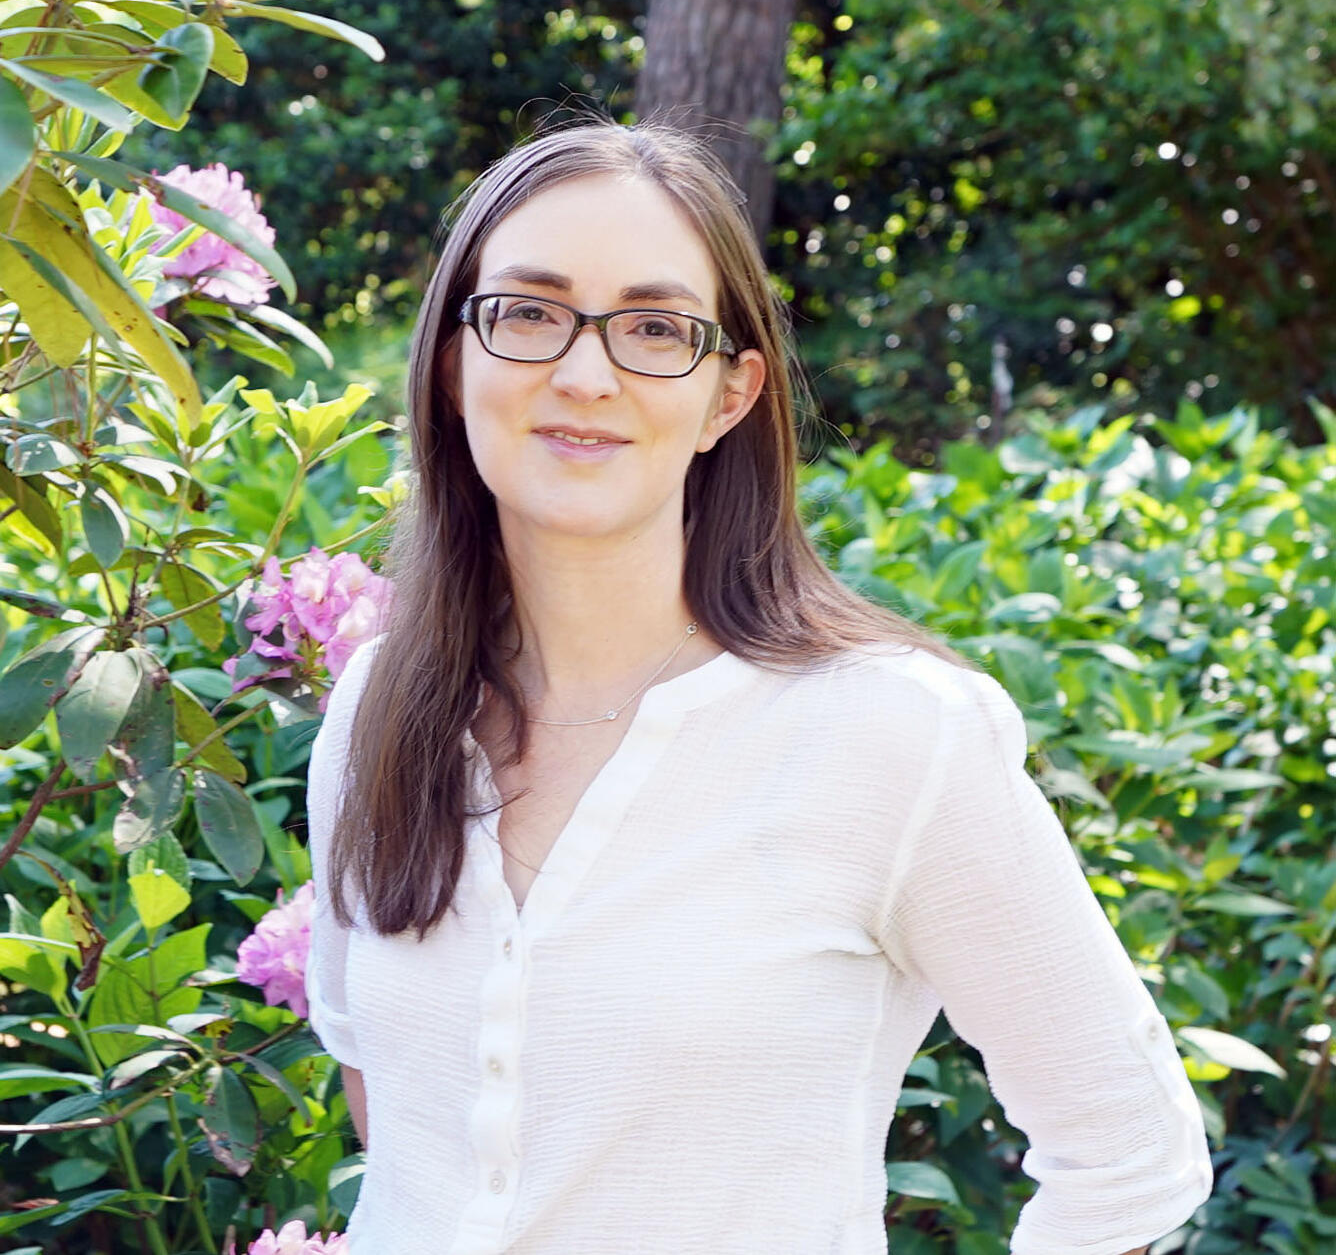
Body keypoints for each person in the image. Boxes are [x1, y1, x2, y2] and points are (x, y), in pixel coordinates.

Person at [304, 117, 1213, 1255]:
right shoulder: (378, 712)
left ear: (728, 396)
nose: (584, 373)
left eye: (652, 328)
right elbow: (392, 1118)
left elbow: (1126, 1155)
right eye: (528, 312)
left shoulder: (888, 735)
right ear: (453, 364)